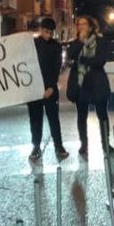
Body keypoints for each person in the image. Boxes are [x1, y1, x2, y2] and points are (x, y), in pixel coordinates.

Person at [66, 15, 111, 157]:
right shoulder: (75, 43)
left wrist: (83, 59)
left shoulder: (100, 41)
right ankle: (83, 144)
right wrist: (80, 42)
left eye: (84, 24)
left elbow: (100, 61)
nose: (81, 27)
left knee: (102, 115)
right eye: (79, 24)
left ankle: (105, 143)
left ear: (91, 27)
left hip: (97, 83)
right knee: (81, 116)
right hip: (81, 84)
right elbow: (71, 55)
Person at [28, 17, 69, 161]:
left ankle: (59, 146)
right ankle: (36, 147)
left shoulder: (56, 46)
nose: (48, 35)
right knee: (35, 120)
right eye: (46, 32)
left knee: (54, 119)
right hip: (34, 90)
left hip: (50, 90)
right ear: (40, 30)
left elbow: (56, 67)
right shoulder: (31, 44)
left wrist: (51, 86)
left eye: (51, 33)